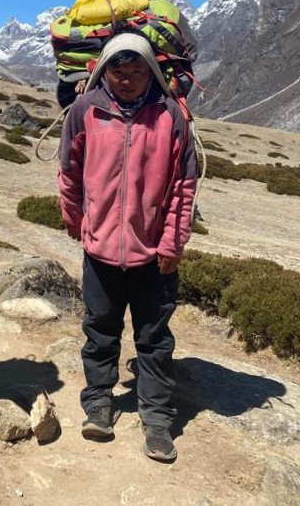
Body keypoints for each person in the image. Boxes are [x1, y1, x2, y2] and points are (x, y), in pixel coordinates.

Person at [57, 32, 197, 462]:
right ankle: (99, 403)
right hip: (99, 251)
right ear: (104, 70)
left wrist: (172, 244)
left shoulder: (171, 116)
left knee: (154, 340)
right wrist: (77, 222)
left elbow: (183, 187)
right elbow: (69, 172)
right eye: (119, 71)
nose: (127, 79)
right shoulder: (85, 110)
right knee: (99, 330)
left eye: (137, 70)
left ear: (151, 71)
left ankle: (156, 419)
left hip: (154, 253)